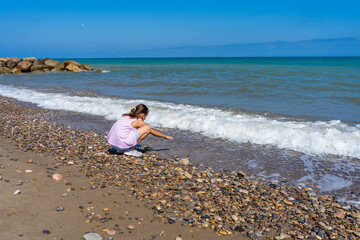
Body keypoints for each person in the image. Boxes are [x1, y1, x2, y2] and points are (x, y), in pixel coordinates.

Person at [107, 104, 173, 157]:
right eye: (146, 115)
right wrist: (164, 136)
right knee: (147, 128)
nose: (145, 118)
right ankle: (129, 150)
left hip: (114, 144)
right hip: (121, 145)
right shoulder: (138, 121)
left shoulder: (125, 116)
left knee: (136, 130)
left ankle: (121, 149)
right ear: (142, 115)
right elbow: (152, 131)